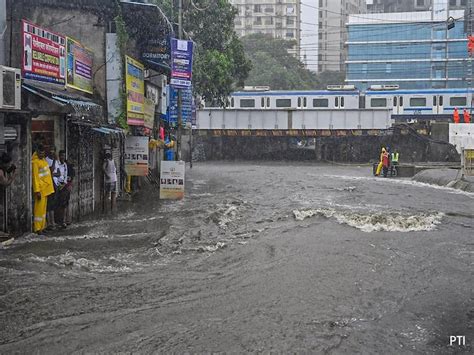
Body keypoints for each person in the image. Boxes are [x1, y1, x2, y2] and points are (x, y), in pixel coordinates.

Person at [32, 145, 55, 234]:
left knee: (43, 209)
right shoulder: (35, 162)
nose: (42, 154)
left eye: (43, 153)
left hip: (46, 189)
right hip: (40, 190)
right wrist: (37, 191)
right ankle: (37, 228)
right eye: (40, 153)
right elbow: (35, 178)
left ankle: (42, 226)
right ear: (37, 152)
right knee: (38, 210)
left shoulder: (43, 160)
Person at [53, 151, 68, 229]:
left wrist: (64, 184)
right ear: (59, 156)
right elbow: (54, 175)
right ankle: (57, 221)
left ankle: (63, 221)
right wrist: (58, 185)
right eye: (61, 156)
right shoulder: (56, 164)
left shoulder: (65, 165)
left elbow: (65, 175)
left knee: (63, 204)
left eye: (64, 156)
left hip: (63, 186)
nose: (63, 157)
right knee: (57, 204)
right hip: (57, 185)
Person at [46, 146, 58, 229]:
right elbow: (51, 171)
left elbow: (58, 173)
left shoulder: (56, 161)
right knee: (48, 205)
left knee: (52, 204)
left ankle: (52, 222)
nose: (52, 152)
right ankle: (49, 223)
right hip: (48, 184)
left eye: (53, 151)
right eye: (50, 151)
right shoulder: (46, 160)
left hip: (55, 184)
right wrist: (54, 160)